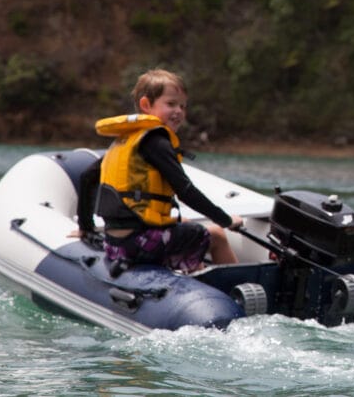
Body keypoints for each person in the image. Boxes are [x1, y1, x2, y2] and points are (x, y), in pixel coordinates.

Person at [74, 68, 240, 273]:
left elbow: (87, 177)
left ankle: (194, 276)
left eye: (183, 106)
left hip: (116, 244)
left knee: (185, 225)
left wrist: (86, 228)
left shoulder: (127, 140)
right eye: (171, 104)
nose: (179, 111)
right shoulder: (157, 142)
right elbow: (185, 191)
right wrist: (226, 220)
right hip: (140, 243)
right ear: (146, 105)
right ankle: (235, 292)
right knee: (216, 235)